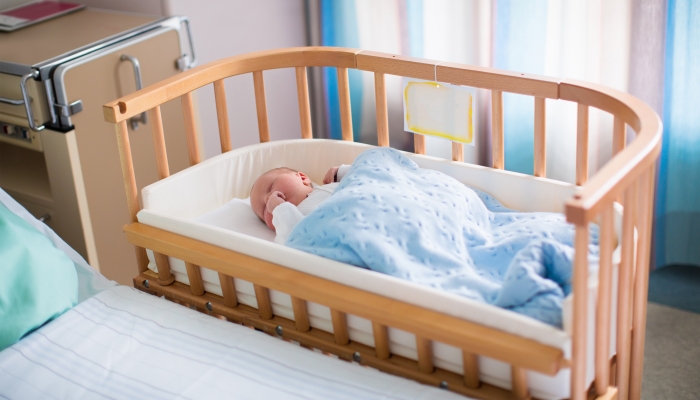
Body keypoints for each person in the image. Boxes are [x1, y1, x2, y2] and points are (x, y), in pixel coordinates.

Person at [250, 164, 351, 243]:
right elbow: (296, 241)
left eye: (271, 186)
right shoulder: (292, 225)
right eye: (264, 210)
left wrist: (343, 172)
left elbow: (363, 175)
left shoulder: (333, 183)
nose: (268, 199)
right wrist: (280, 209)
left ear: (302, 178)